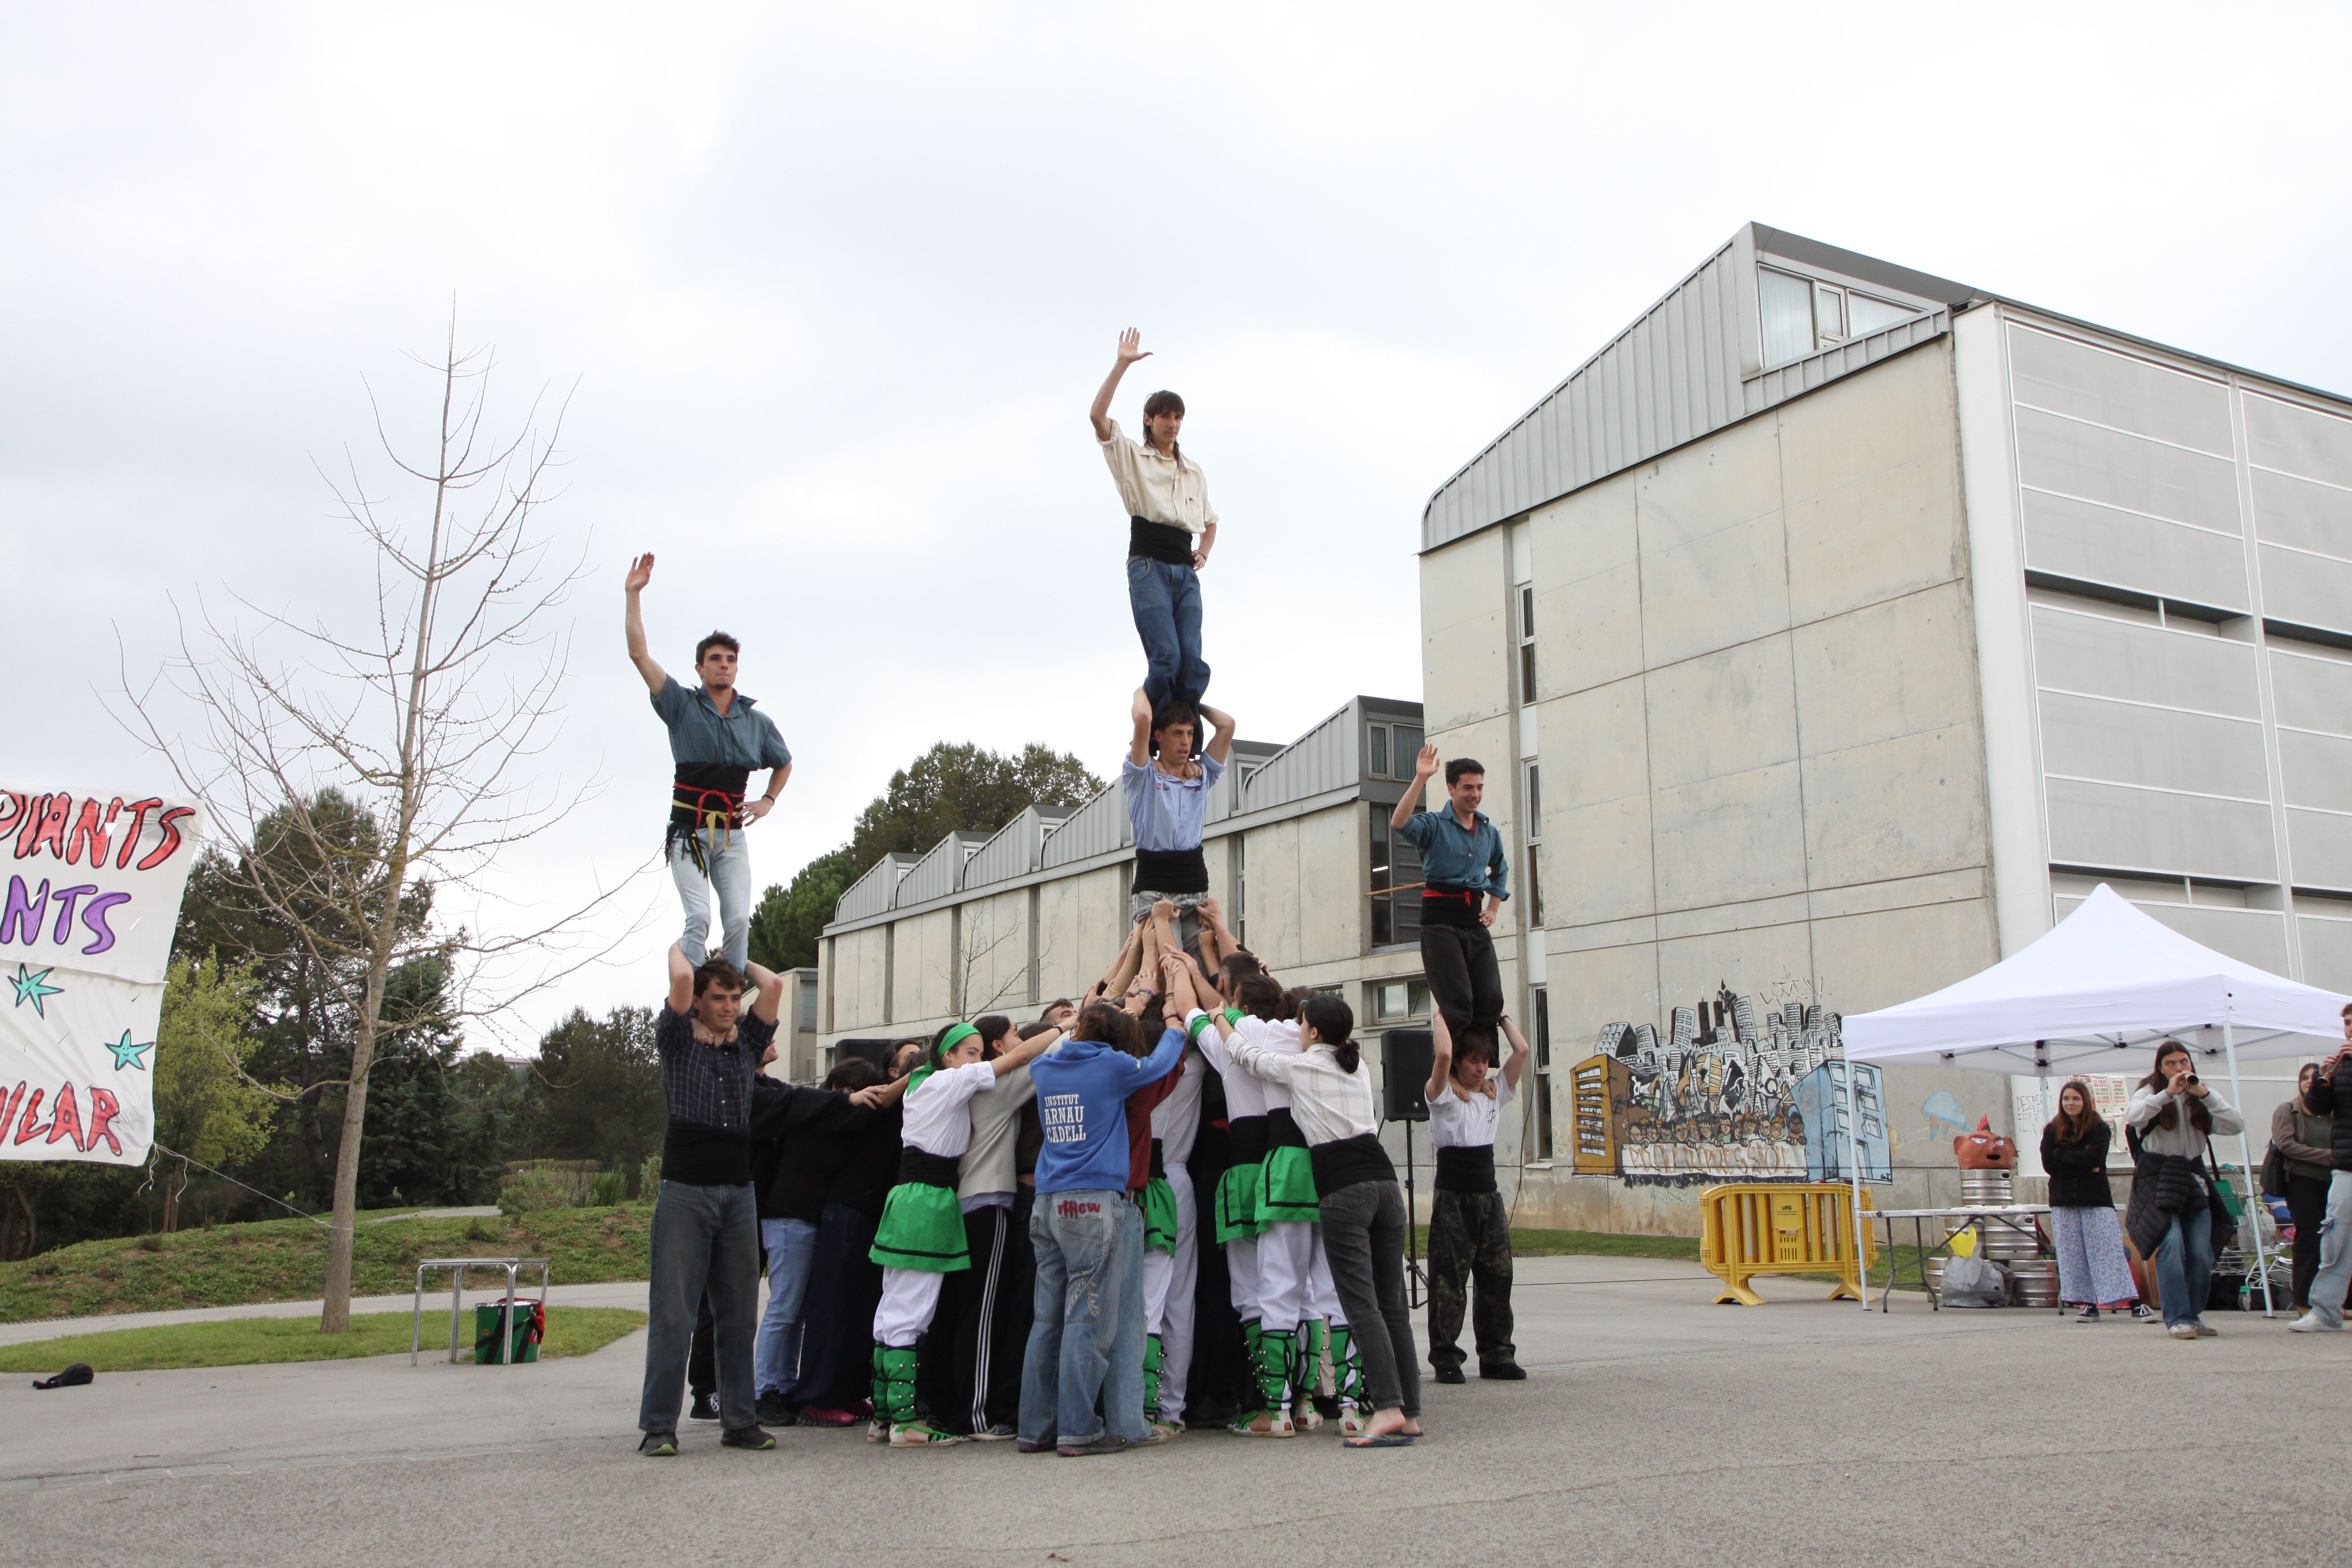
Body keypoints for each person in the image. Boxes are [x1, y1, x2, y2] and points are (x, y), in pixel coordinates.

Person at [1216, 984, 1422, 1448]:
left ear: (1311, 1030)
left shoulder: (1307, 1064)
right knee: (1392, 1307)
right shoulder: (1358, 1065)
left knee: (1360, 1304)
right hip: (1386, 1184)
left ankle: (1387, 1408)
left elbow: (1250, 1058)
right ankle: (1408, 1411)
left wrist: (1221, 1020)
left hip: (1344, 1189)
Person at [870, 1020, 1059, 1446]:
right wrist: (1068, 1024)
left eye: (979, 1052)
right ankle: (905, 1423)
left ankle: (884, 1415)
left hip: (908, 1197)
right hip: (929, 1199)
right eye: (970, 1052)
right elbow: (1023, 1057)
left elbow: (901, 1084)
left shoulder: (923, 1081)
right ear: (949, 1057)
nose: (979, 1060)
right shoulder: (953, 1081)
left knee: (893, 1308)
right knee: (911, 1311)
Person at [1019, 989, 1185, 1457]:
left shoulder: (1046, 1067)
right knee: (1088, 1320)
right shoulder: (1111, 1066)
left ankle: (1036, 1427)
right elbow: (1157, 1066)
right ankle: (1079, 1428)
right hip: (1092, 1203)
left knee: (1045, 1320)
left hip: (1048, 1201)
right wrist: (1174, 1029)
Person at [637, 945, 785, 1456]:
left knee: (740, 1313)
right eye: (718, 998)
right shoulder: (678, 1043)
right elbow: (680, 976)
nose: (729, 1006)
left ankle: (740, 1421)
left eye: (732, 998)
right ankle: (659, 1425)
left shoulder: (746, 1047)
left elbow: (774, 988)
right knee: (674, 1314)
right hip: (685, 1192)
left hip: (738, 1193)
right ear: (698, 1002)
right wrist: (689, 939)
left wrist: (739, 957)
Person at [625, 554, 793, 974]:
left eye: (731, 660)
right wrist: (633, 595)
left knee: (738, 920)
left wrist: (768, 801)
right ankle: (696, 996)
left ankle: (728, 999)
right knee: (698, 918)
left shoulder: (756, 721)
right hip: (688, 833)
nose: (724, 665)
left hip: (731, 836)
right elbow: (639, 654)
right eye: (716, 659)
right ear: (700, 668)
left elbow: (784, 762)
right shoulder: (681, 705)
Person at [1089, 328, 1218, 720]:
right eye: (1165, 416)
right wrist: (1122, 365)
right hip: (1149, 564)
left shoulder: (1193, 470)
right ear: (1149, 420)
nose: (1173, 423)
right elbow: (1097, 416)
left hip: (1184, 567)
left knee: (1193, 661)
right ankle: (1156, 726)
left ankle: (1185, 729)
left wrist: (1204, 553)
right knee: (1167, 656)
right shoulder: (1133, 457)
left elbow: (1210, 521)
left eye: (1178, 417)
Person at [789, 1047, 918, 1427]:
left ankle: (847, 1391)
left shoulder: (916, 1107)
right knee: (834, 1306)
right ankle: (818, 1396)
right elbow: (883, 1098)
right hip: (847, 1211)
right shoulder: (879, 1104)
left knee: (862, 1308)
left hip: (871, 1214)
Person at [923, 1015, 1035, 1439]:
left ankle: (941, 1405)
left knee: (955, 1312)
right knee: (982, 1316)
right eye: (1006, 1038)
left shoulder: (939, 1088)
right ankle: (975, 1414)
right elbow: (1043, 1058)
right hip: (989, 1203)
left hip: (960, 1206)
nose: (1012, 1043)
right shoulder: (990, 1088)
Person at [1424, 1010, 1530, 1380]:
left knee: (1498, 1276)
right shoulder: (1443, 1097)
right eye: (1473, 1061)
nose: (1481, 1069)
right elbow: (1441, 1057)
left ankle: (1497, 1354)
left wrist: (1498, 1017)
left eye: (1485, 1062)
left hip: (1488, 1195)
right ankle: (1446, 1357)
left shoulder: (1494, 1093)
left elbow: (1522, 1051)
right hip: (1454, 1195)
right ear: (1459, 1063)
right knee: (1449, 1281)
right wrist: (1441, 1016)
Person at [2122, 1039, 2245, 1339]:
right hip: (2159, 1181)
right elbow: (2134, 1117)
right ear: (2161, 1068)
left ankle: (2193, 1315)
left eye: (2184, 1062)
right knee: (2172, 1244)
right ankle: (2176, 1317)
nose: (2179, 1069)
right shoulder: (2150, 1092)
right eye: (2171, 1064)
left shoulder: (2201, 1096)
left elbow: (2236, 1124)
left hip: (2193, 1181)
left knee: (2202, 1253)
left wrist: (2204, 1094)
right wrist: (2167, 1094)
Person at [1390, 742, 1508, 1038]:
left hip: (1472, 916)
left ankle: (1480, 1066)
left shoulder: (1489, 832)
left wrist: (1493, 908)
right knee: (1458, 1000)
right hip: (1441, 917)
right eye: (1468, 787)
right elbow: (1399, 822)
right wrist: (1420, 778)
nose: (1476, 794)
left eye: (1480, 787)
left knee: (1490, 998)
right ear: (1451, 789)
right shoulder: (1434, 824)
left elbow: (1500, 869)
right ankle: (1452, 1066)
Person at [1122, 689, 1237, 957]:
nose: (1185, 742)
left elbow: (1227, 725)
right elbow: (1142, 716)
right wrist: (1146, 690)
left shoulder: (1201, 775)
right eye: (1177, 733)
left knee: (1203, 963)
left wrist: (1194, 703)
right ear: (1159, 736)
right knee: (1169, 964)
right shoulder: (1143, 775)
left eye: (1190, 733)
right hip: (1155, 885)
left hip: (1194, 884)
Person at [2040, 1079, 2144, 1323]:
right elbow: (2050, 1164)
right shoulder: (2052, 1129)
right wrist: (2082, 1163)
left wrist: (2066, 1159)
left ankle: (2133, 1301)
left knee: (2108, 1250)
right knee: (2072, 1253)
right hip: (2063, 1200)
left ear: (2085, 1100)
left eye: (2076, 1098)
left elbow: (2095, 1157)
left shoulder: (2099, 1127)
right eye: (2066, 1099)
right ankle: (2086, 1303)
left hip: (2095, 1198)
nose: (2071, 1103)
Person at [2290, 1004, 2352, 1332]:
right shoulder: (2343, 1064)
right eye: (2347, 1023)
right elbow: (2317, 1110)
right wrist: (2322, 1082)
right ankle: (2326, 1311)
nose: (2350, 1029)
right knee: (2335, 1237)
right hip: (2347, 1165)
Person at [2272, 1061, 2336, 1314]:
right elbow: (2286, 1145)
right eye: (2305, 1077)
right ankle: (2303, 1301)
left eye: (2317, 1076)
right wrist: (2329, 1156)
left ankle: (2333, 1301)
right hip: (2302, 1181)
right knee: (2309, 1238)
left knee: (2336, 1242)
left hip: (2335, 1181)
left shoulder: (2336, 1112)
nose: (2311, 1080)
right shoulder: (2289, 1110)